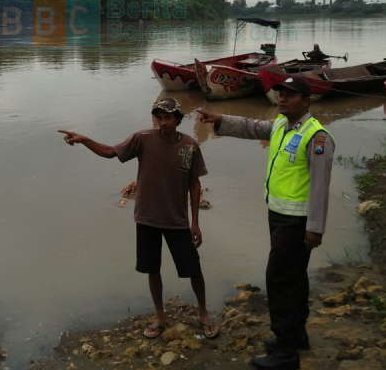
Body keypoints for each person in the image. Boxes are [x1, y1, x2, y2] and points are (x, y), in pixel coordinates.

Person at [196, 76, 334, 370]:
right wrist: (221, 120)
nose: (282, 98)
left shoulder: (317, 137)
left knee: (280, 281)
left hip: (296, 221)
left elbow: (320, 187)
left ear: (307, 100)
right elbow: (253, 127)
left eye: (290, 95)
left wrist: (315, 227)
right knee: (295, 277)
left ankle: (285, 353)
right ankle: (296, 336)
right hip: (279, 215)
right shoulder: (282, 125)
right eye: (281, 93)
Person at [58, 97, 219, 339]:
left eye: (168, 117)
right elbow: (111, 152)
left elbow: (194, 184)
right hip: (147, 218)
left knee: (193, 269)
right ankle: (160, 316)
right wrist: (85, 140)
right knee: (152, 269)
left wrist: (195, 222)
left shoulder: (190, 146)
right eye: (159, 118)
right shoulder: (142, 139)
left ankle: (203, 313)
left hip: (177, 221)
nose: (163, 122)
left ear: (178, 119)